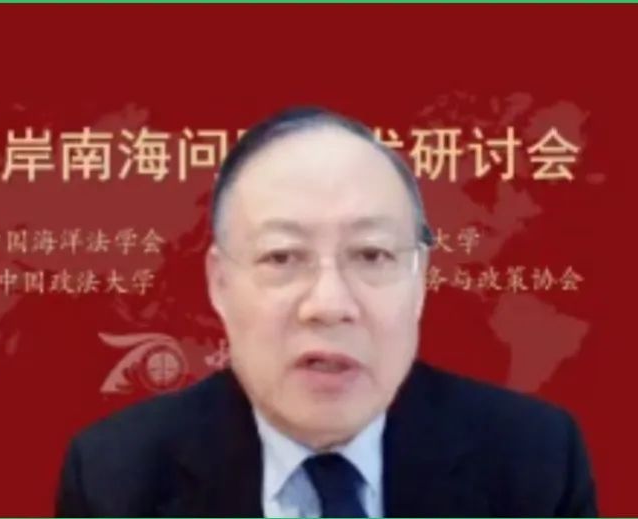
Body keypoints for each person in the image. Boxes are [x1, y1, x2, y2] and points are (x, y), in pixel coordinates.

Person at [55, 107, 597, 517]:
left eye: (372, 255)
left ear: (420, 280)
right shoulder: (115, 479)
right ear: (220, 284)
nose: (329, 306)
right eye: (282, 257)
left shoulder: (536, 463)